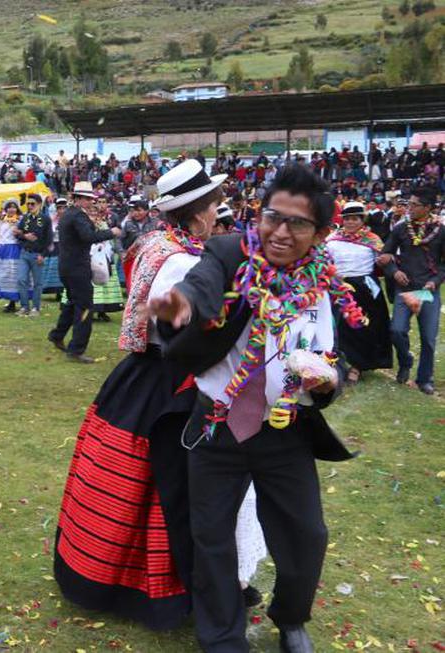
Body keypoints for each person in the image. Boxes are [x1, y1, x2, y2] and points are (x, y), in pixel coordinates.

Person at [151, 164, 364, 652]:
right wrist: (182, 306)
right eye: (273, 217)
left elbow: (333, 355)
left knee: (305, 534)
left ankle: (291, 619)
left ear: (321, 232)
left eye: (298, 224)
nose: (281, 232)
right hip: (216, 425)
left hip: (285, 429)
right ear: (258, 215)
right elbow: (203, 288)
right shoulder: (229, 253)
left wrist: (327, 378)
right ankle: (223, 638)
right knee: (212, 538)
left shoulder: (322, 280)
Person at [56, 160, 241, 631]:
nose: (219, 214)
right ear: (199, 212)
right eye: (215, 206)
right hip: (169, 380)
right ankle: (167, 588)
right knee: (174, 485)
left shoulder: (158, 243)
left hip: (141, 377)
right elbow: (182, 328)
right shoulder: (183, 260)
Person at [47, 182, 121, 363]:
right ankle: (76, 349)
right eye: (87, 199)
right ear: (77, 198)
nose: (90, 202)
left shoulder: (67, 215)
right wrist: (111, 232)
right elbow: (88, 237)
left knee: (72, 303)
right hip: (78, 268)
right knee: (85, 307)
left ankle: (57, 335)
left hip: (66, 266)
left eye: (91, 199)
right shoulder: (78, 216)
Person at [380, 186, 444, 395]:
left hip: (427, 290)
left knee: (427, 337)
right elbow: (386, 254)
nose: (410, 208)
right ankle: (405, 360)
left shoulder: (440, 230)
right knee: (397, 331)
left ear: (428, 208)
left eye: (415, 205)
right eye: (409, 204)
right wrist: (394, 272)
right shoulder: (401, 228)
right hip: (404, 289)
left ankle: (424, 379)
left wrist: (434, 281)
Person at [325, 201, 392, 383]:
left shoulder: (373, 239)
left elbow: (383, 262)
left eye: (355, 219)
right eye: (347, 219)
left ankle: (358, 366)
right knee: (338, 327)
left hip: (364, 288)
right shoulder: (332, 239)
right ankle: (337, 363)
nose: (351, 222)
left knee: (363, 327)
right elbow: (323, 260)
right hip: (338, 287)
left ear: (362, 220)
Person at [15, 194, 52, 317]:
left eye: (32, 204)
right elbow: (17, 233)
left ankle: (35, 307)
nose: (30, 206)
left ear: (39, 204)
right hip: (24, 253)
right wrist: (25, 236)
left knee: (37, 283)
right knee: (21, 280)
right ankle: (24, 306)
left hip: (38, 255)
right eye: (28, 204)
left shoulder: (46, 219)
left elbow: (49, 239)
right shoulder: (25, 218)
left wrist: (43, 254)